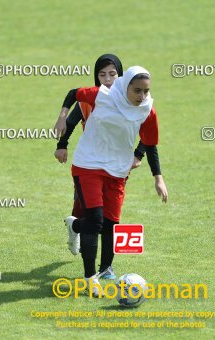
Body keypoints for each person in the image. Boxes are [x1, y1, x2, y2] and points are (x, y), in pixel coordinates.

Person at [53, 55, 163, 280]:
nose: (142, 96)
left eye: (146, 91)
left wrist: (157, 176)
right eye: (137, 91)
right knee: (95, 220)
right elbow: (74, 94)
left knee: (110, 224)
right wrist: (62, 124)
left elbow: (150, 142)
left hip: (117, 170)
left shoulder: (146, 109)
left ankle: (104, 267)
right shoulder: (99, 96)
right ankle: (89, 276)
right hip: (89, 164)